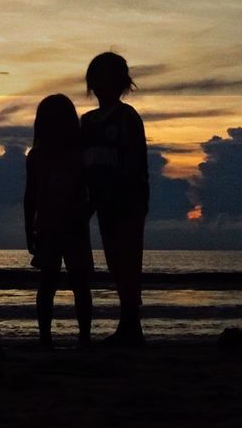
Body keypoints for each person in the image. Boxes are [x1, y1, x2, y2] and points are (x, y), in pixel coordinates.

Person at [81, 52, 149, 346]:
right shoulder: (87, 121)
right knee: (114, 260)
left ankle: (131, 325)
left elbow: (135, 163)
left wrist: (121, 193)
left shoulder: (127, 117)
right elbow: (81, 165)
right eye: (95, 79)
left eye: (105, 78)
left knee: (128, 261)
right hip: (100, 201)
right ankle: (128, 326)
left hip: (127, 200)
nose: (99, 85)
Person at [23, 94, 93, 346]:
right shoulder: (37, 156)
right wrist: (29, 230)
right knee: (54, 284)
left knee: (75, 284)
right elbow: (30, 196)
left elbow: (91, 192)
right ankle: (48, 338)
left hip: (72, 227)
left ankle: (81, 337)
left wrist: (84, 214)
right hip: (51, 227)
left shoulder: (78, 155)